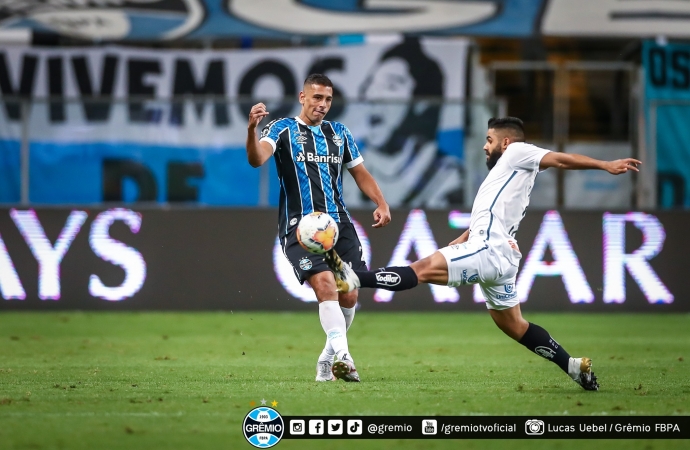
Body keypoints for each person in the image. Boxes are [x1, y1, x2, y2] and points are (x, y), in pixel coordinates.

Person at [327, 117, 642, 391]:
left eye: (489, 140)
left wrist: (605, 164)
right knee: (514, 325)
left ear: (505, 142)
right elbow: (489, 216)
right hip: (500, 256)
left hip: (489, 251)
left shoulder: (518, 151)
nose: (484, 146)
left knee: (420, 270)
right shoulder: (507, 174)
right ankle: (573, 367)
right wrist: (461, 240)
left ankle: (353, 277)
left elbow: (560, 159)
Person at [246, 73, 391, 382]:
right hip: (300, 228)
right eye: (317, 98)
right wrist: (250, 130)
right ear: (302, 97)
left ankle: (327, 358)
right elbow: (257, 159)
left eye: (328, 99)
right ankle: (344, 358)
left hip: (338, 225)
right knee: (325, 286)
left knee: (349, 294)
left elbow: (360, 173)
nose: (323, 105)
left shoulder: (339, 133)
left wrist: (381, 202)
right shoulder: (281, 128)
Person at [344, 36, 463, 209]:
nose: (373, 95)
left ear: (421, 104)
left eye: (391, 86)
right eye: (371, 84)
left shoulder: (446, 179)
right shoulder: (347, 177)